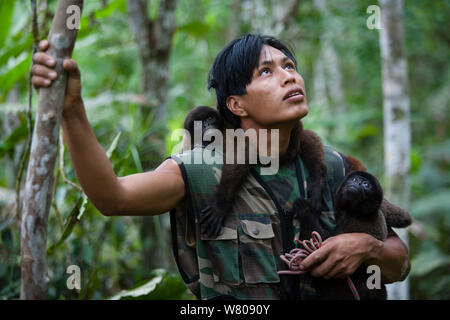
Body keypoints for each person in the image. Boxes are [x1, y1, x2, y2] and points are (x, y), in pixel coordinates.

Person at [31, 33, 410, 300]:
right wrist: (72, 111)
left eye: (290, 65)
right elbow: (113, 197)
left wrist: (368, 249)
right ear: (236, 105)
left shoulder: (334, 167)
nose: (289, 75)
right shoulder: (199, 170)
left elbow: (398, 263)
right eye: (267, 72)